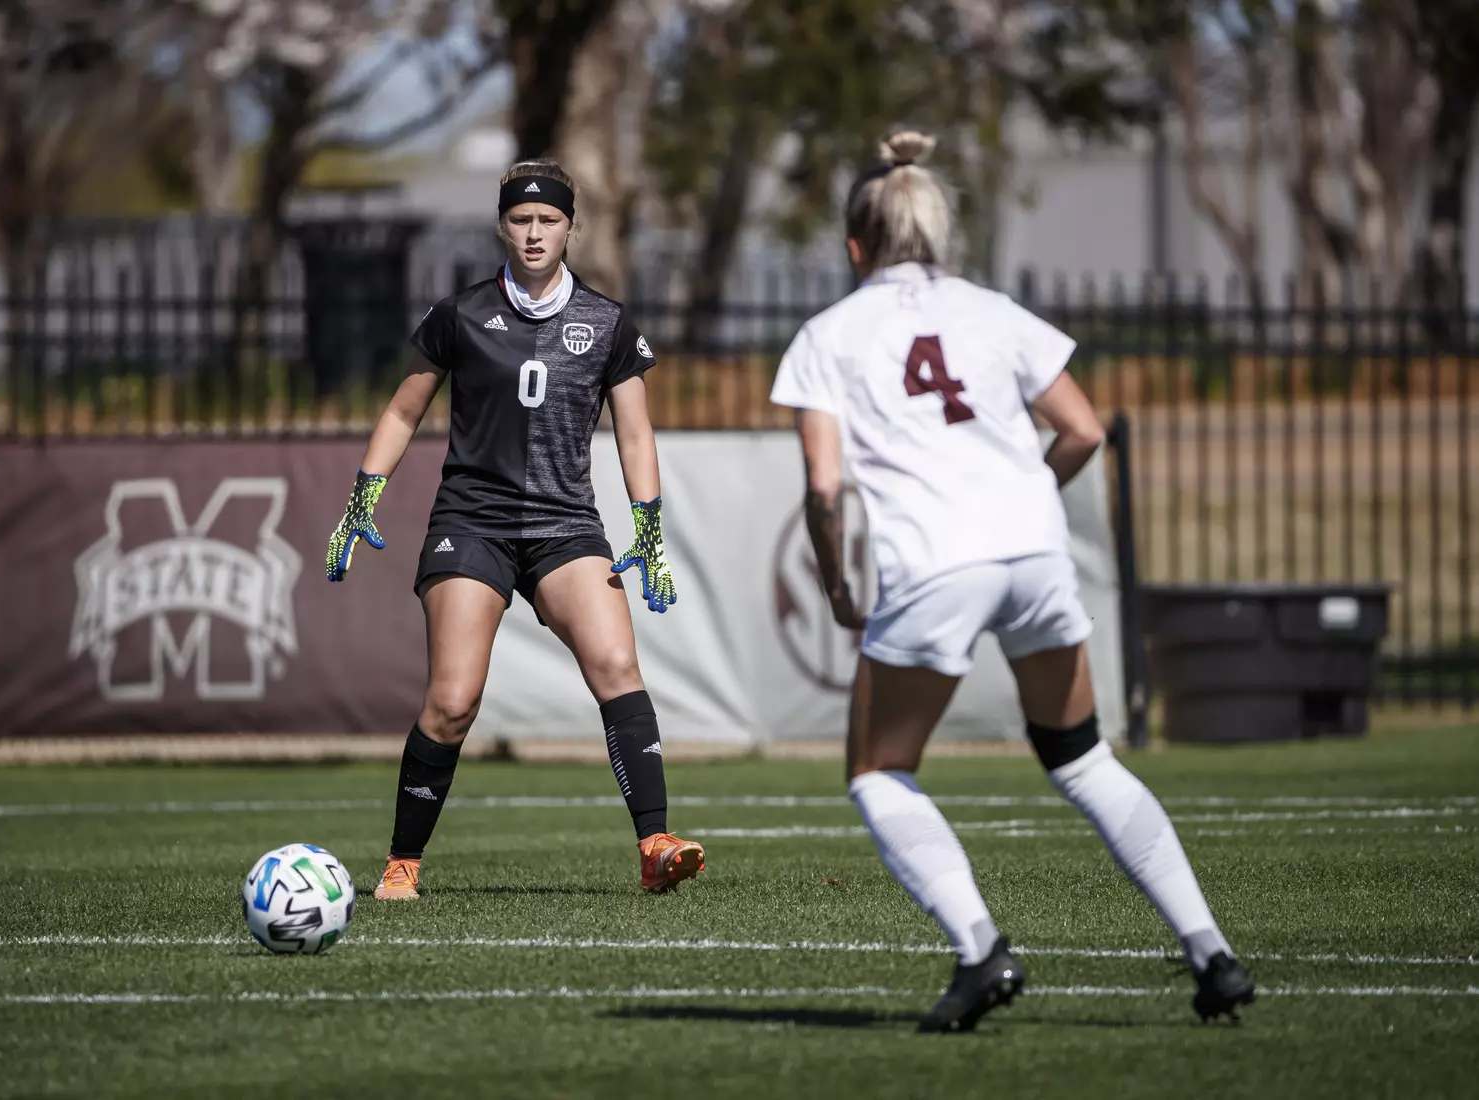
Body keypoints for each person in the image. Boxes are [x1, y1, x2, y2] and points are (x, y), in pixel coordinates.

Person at [769, 131, 1255, 1032]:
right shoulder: (994, 311)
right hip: (1034, 553)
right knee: (1080, 756)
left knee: (879, 772)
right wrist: (1029, 495)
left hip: (932, 563)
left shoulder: (826, 336)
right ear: (940, 237)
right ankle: (1211, 955)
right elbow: (1082, 431)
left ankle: (980, 950)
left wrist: (838, 586)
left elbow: (825, 486)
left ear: (853, 246)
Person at [325, 158, 704, 900]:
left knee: (618, 669)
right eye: (521, 220)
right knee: (454, 700)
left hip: (565, 526)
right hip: (473, 524)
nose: (534, 234)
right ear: (503, 225)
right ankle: (403, 861)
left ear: (570, 227)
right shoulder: (459, 314)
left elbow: (634, 435)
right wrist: (363, 496)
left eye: (549, 220)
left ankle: (654, 843)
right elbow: (404, 412)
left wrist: (647, 527)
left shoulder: (607, 322)